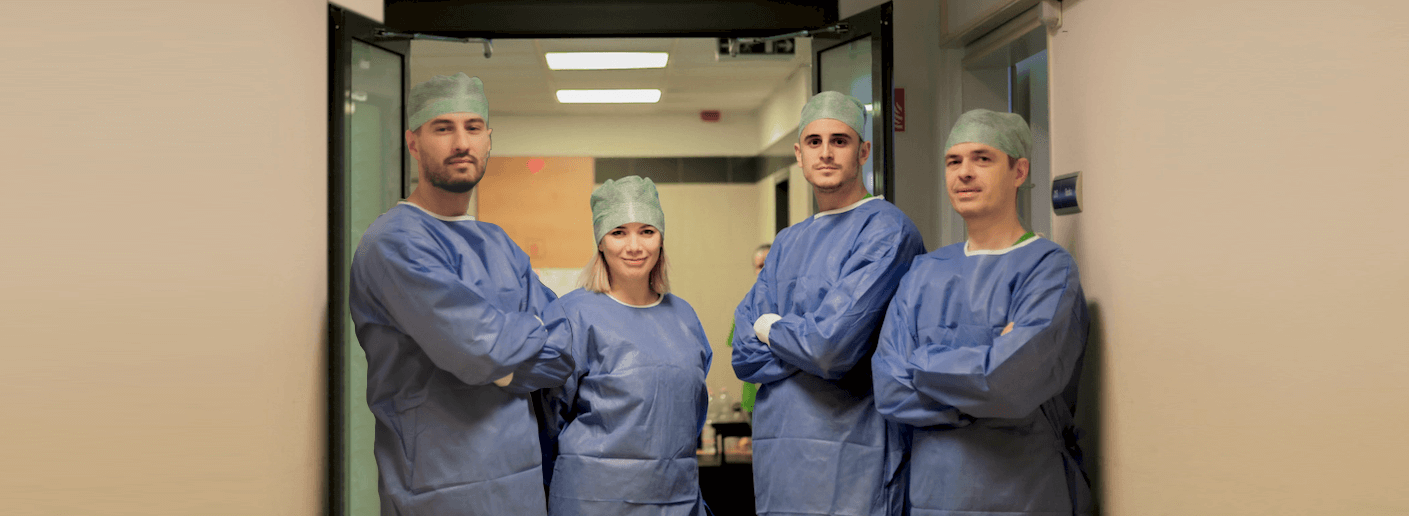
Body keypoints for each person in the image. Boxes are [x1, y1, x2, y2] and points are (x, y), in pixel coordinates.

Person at [349, 72, 574, 515]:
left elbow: (563, 350)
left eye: (473, 127)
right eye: (442, 128)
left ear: (488, 140)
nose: (461, 142)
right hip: (437, 489)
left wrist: (498, 361)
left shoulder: (499, 243)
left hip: (521, 485)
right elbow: (477, 350)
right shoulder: (394, 242)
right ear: (413, 142)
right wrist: (526, 332)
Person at [872, 109, 1092, 515]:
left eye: (982, 158)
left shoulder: (1048, 268)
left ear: (1019, 171)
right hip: (932, 497)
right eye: (953, 161)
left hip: (1023, 495)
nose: (964, 173)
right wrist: (981, 376)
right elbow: (889, 388)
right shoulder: (924, 271)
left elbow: (1007, 382)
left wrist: (921, 362)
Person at [732, 91, 926, 516]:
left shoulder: (888, 232)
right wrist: (805, 343)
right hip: (780, 459)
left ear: (863, 151)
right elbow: (744, 356)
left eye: (840, 141)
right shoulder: (787, 242)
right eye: (814, 142)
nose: (825, 153)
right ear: (799, 155)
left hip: (855, 455)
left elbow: (831, 348)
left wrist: (771, 329)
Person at [539, 176, 713, 516]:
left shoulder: (684, 317)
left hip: (675, 499)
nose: (634, 246)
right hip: (592, 501)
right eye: (619, 232)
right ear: (600, 242)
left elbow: (689, 416)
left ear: (661, 239)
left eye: (647, 231)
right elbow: (548, 420)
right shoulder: (572, 315)